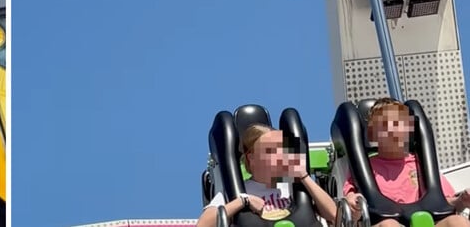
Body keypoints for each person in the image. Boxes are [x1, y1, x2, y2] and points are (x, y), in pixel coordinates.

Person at [343, 98, 470, 227]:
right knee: (389, 225)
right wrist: (352, 200)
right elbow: (351, 196)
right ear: (372, 134)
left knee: (458, 222)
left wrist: (461, 200)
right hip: (385, 223)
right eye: (385, 125)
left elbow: (443, 203)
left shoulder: (421, 165)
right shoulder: (365, 168)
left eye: (398, 124)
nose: (392, 130)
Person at [197, 124, 337, 227]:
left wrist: (304, 176)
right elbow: (203, 225)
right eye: (271, 151)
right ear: (252, 158)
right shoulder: (239, 190)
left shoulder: (294, 188)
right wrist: (243, 202)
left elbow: (334, 215)